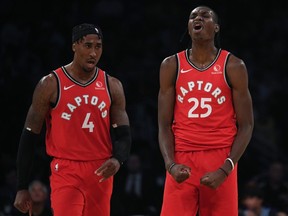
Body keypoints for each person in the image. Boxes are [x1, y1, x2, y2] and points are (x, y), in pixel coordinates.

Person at [13, 23, 132, 216]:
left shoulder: (112, 85)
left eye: (98, 46)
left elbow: (124, 135)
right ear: (74, 46)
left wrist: (118, 160)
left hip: (100, 170)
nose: (93, 52)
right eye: (88, 45)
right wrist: (21, 186)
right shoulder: (51, 84)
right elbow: (29, 136)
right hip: (66, 169)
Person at [157, 5, 254, 216]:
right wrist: (170, 164)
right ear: (189, 26)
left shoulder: (233, 66)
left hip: (220, 158)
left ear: (216, 27)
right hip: (182, 158)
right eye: (193, 16)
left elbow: (246, 125)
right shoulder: (171, 65)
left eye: (204, 15)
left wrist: (226, 169)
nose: (197, 18)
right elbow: (163, 124)